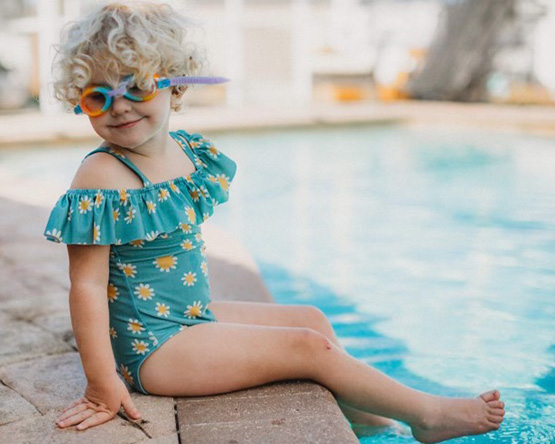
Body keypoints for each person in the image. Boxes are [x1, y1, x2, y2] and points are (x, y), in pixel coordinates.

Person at [44, 2, 505, 442]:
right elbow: (85, 287)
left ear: (175, 83)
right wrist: (101, 383)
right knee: (307, 347)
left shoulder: (185, 150)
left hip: (187, 318)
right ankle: (426, 415)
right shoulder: (102, 174)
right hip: (151, 350)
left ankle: (373, 426)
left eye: (136, 86)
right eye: (97, 96)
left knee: (312, 319)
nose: (119, 107)